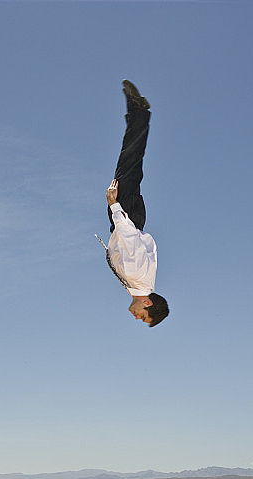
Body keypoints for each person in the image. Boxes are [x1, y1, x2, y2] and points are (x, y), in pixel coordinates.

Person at [100, 80, 169, 327]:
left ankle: (138, 113)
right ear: (148, 303)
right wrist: (114, 206)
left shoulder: (140, 283)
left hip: (131, 218)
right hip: (126, 215)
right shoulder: (137, 277)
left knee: (130, 162)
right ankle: (138, 111)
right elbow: (131, 238)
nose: (136, 316)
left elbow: (148, 243)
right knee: (128, 160)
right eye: (143, 316)